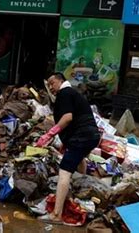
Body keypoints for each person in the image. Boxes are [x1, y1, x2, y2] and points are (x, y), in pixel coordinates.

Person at [37, 72, 100, 226]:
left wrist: (49, 134)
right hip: (91, 136)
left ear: (61, 81)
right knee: (80, 161)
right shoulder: (73, 93)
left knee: (64, 172)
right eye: (48, 85)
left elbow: (67, 118)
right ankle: (79, 194)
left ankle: (56, 214)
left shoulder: (65, 93)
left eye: (52, 83)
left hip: (81, 136)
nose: (50, 87)